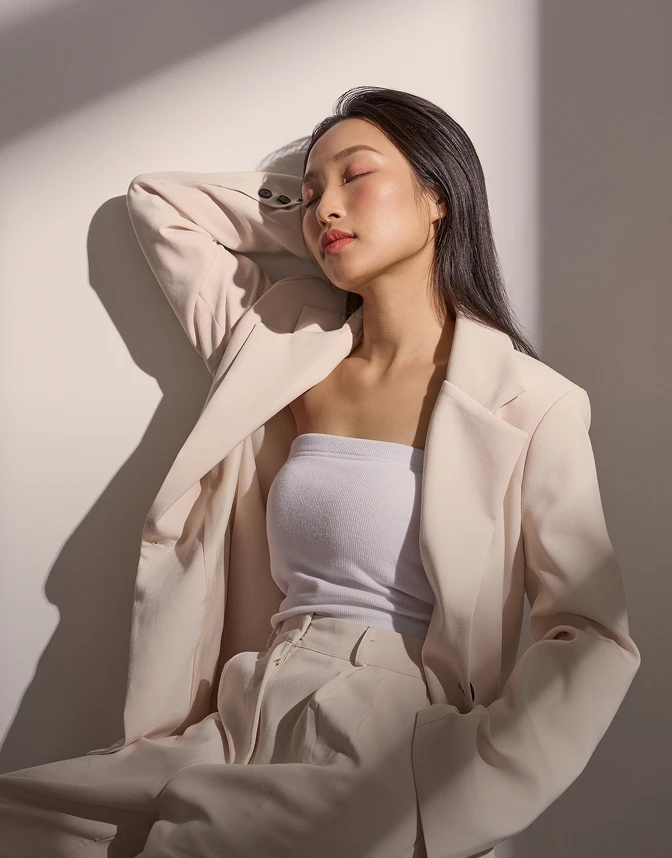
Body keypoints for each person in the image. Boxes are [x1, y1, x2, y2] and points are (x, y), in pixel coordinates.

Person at [0, 86, 640, 858]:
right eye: (309, 195)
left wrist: (468, 786)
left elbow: (590, 633)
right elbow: (161, 206)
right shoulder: (281, 348)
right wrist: (321, 215)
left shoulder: (531, 404)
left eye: (356, 176)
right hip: (240, 708)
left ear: (439, 196)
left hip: (379, 732)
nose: (325, 207)